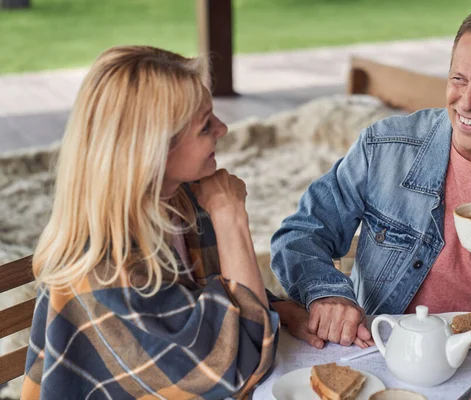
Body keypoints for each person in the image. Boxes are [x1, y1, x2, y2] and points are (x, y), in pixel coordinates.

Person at [271, 7, 471, 349]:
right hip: (386, 347)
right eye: (458, 79)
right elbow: (300, 234)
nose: (467, 102)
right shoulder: (383, 147)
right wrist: (327, 294)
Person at [22, 45, 296, 399]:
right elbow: (239, 367)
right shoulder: (105, 270)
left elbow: (223, 296)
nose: (224, 128)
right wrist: (230, 218)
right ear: (153, 150)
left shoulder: (179, 202)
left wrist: (284, 310)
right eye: (204, 126)